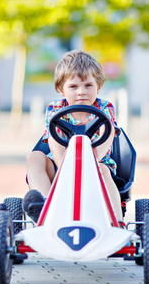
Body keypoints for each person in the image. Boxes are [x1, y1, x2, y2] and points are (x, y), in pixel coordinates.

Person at [23, 50, 123, 224]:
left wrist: (90, 164)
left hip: (97, 165)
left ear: (98, 87)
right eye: (73, 87)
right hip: (62, 165)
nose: (81, 92)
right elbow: (54, 141)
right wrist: (65, 169)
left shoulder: (105, 108)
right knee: (34, 157)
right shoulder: (55, 109)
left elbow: (107, 135)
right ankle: (44, 209)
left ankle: (117, 223)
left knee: (102, 170)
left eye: (88, 86)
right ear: (61, 90)